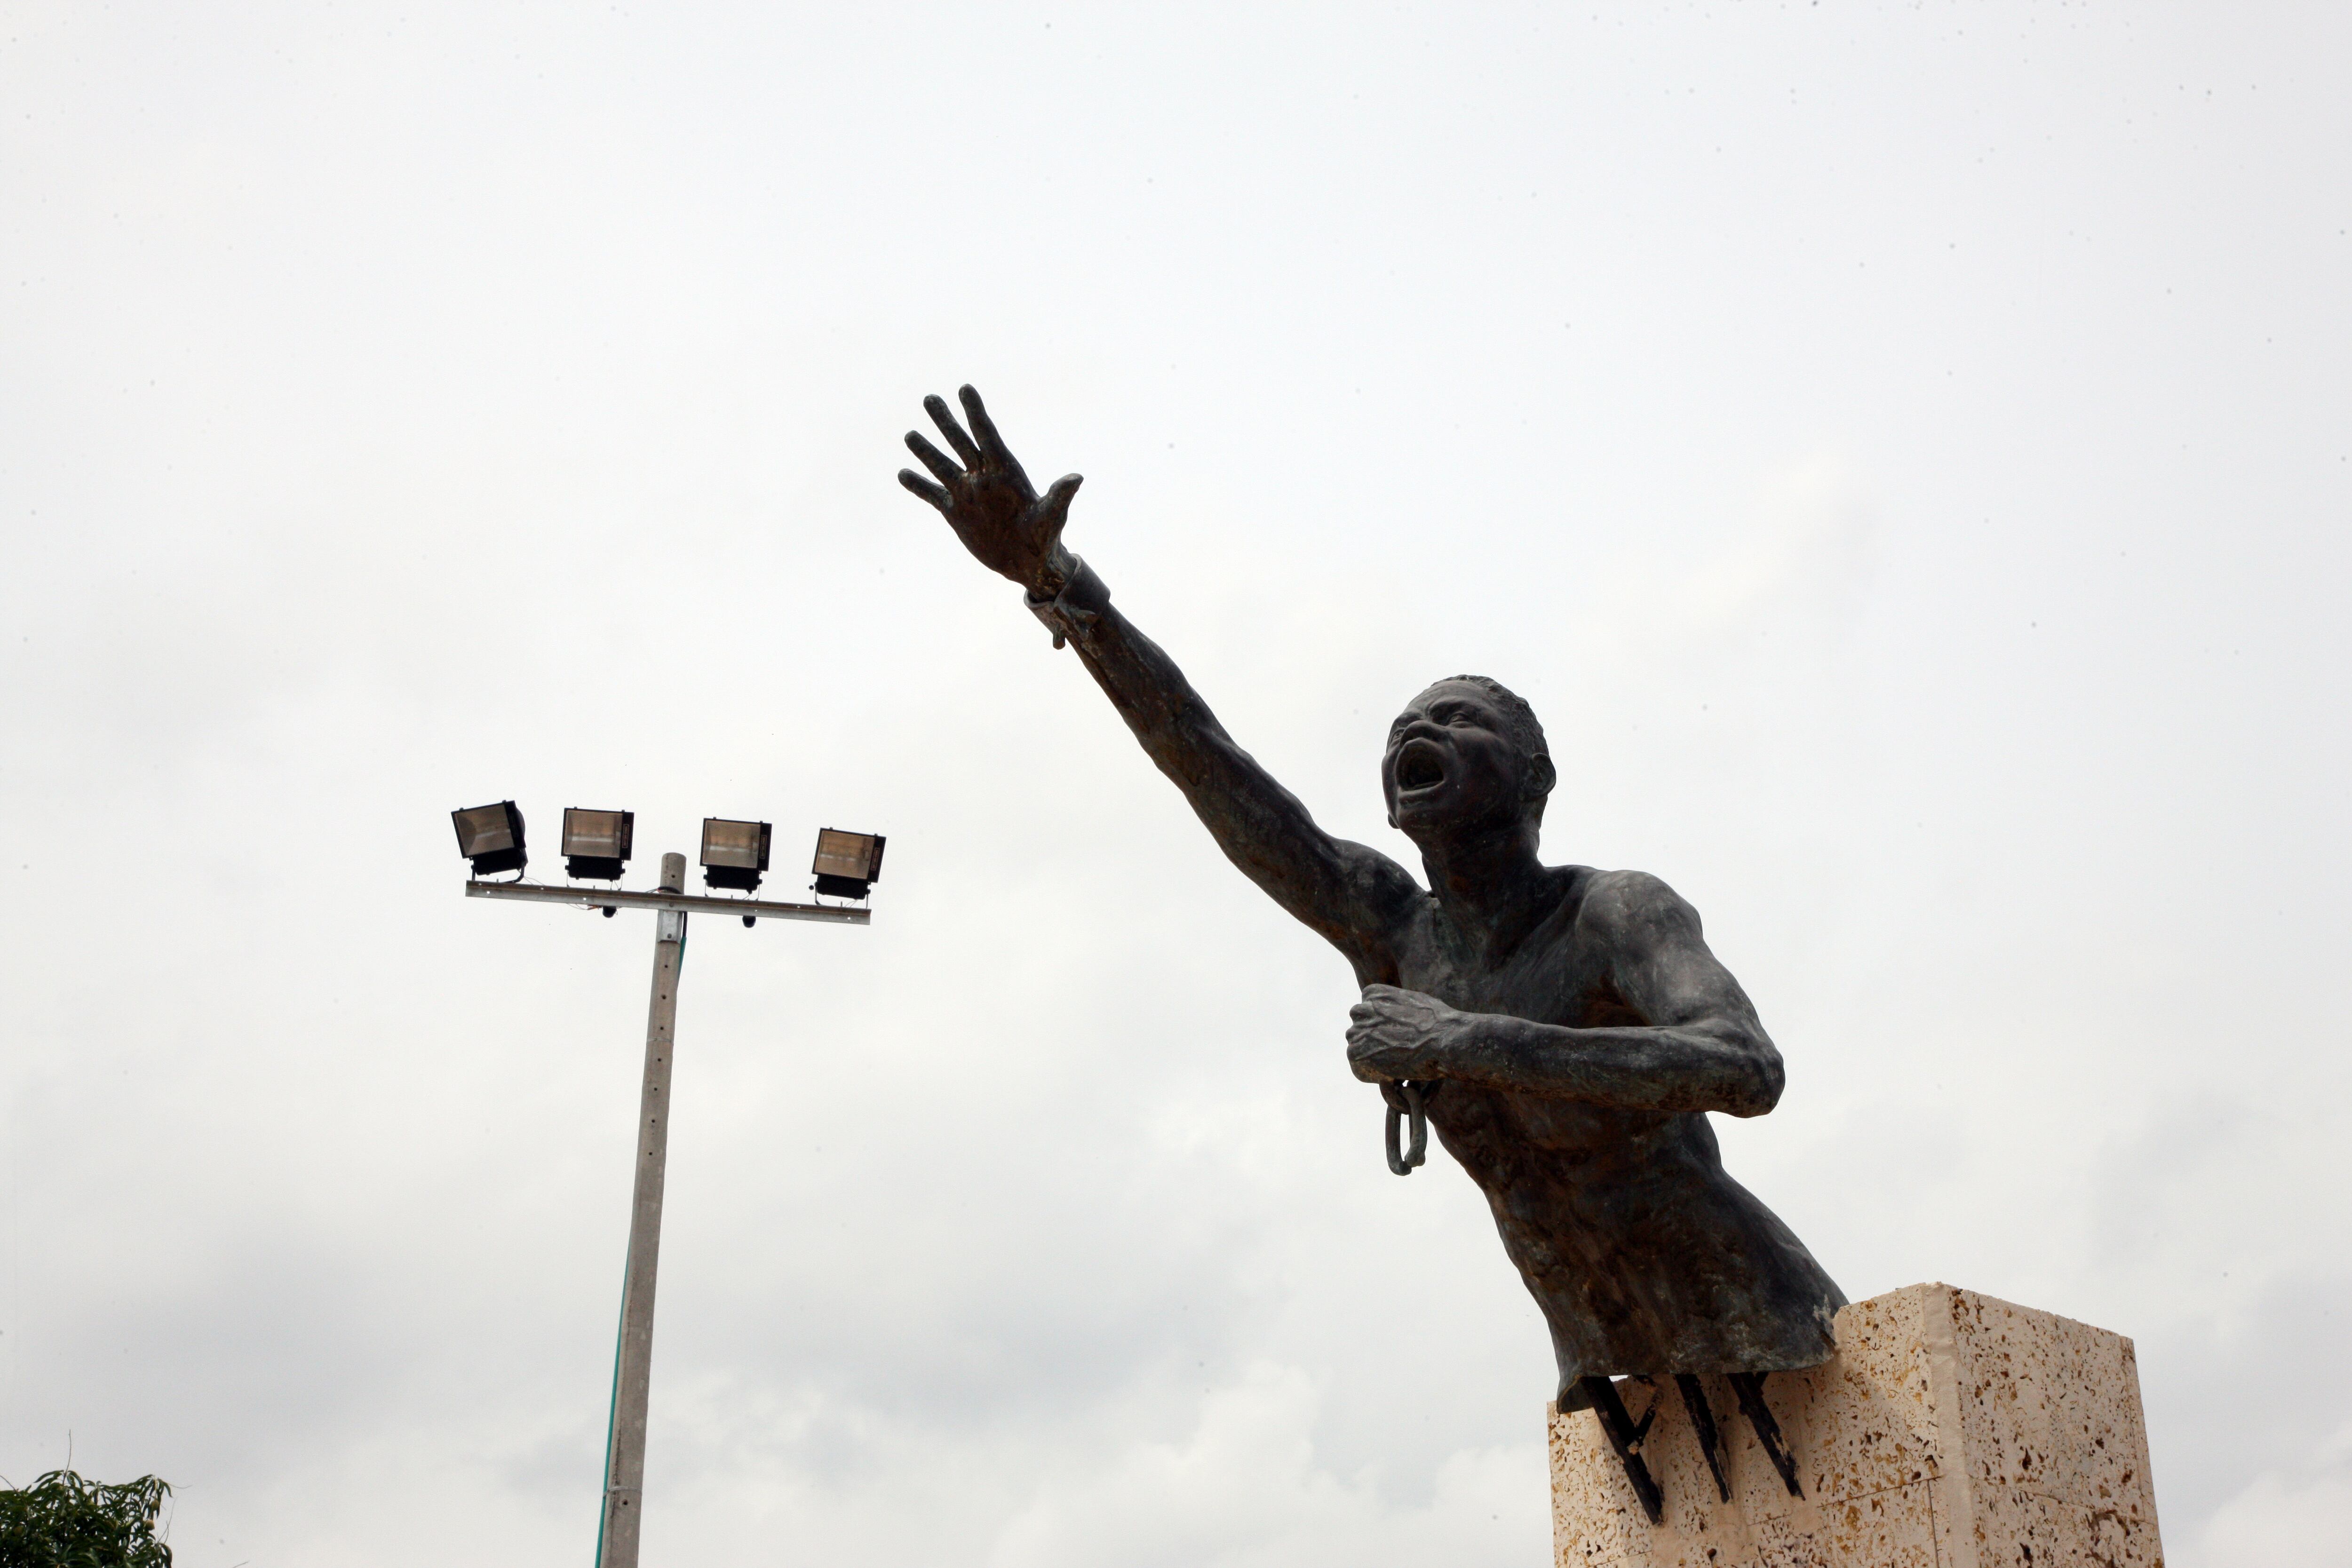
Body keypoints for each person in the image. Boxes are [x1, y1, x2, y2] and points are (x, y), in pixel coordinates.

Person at [897, 386, 1845, 1508]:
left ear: (1533, 777)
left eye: (1457, 719)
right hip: (1617, 1375)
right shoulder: (1393, 927)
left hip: (1761, 1330)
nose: (1418, 733)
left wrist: (1469, 1041)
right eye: (1402, 729)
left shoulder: (1612, 912)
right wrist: (1061, 586)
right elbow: (1208, 764)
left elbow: (1744, 1065)